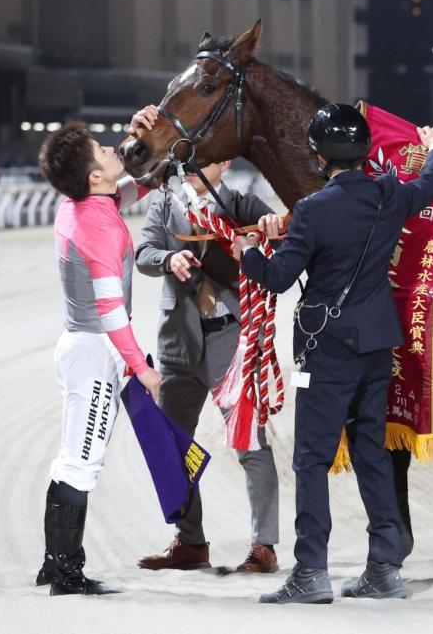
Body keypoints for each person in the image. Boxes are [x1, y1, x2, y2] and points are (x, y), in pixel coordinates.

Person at [231, 103, 433, 604]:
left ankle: (311, 572)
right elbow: (430, 185)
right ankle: (384, 568)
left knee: (311, 460)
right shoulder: (389, 193)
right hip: (376, 343)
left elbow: (279, 277)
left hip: (325, 350)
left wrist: (248, 251)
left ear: (318, 154)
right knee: (371, 453)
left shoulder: (312, 210)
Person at [130, 105, 284, 573]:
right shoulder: (164, 202)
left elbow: (283, 226)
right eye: (205, 158)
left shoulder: (237, 204)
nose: (213, 165)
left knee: (251, 446)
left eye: (216, 159)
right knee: (172, 445)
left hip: (230, 344)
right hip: (178, 343)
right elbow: (143, 251)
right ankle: (190, 541)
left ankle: (265, 546)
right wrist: (167, 261)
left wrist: (274, 229)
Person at [37, 122, 160, 595]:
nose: (112, 150)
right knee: (81, 464)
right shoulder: (100, 229)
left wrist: (151, 175)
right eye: (102, 150)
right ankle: (67, 573)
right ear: (92, 176)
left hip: (79, 346)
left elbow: (118, 193)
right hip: (94, 349)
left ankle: (54, 563)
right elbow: (112, 314)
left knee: (70, 459)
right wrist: (141, 368)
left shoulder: (78, 204)